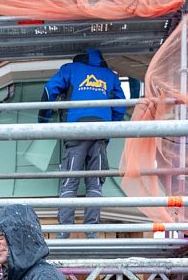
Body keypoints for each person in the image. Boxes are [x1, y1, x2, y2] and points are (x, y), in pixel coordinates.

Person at [38, 48, 125, 236]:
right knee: (94, 185)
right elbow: (120, 105)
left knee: (69, 183)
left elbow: (48, 90)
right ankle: (91, 232)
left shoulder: (70, 69)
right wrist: (111, 126)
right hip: (101, 132)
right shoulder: (110, 76)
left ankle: (64, 232)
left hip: (75, 131)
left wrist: (43, 119)